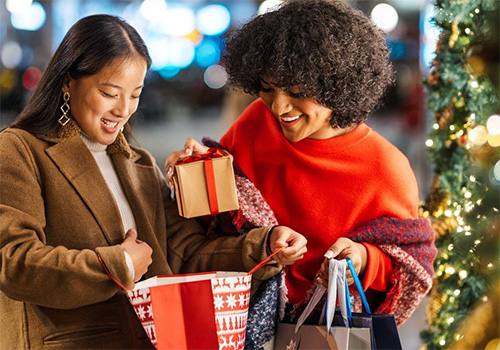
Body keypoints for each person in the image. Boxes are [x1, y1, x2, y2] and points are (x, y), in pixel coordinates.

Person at [0, 15, 308, 349]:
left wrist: (264, 245)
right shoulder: (20, 149)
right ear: (67, 82)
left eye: (135, 95)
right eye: (109, 92)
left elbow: (187, 255)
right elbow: (14, 262)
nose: (123, 110)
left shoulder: (138, 163)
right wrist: (117, 265)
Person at [166, 0, 437, 346]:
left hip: (325, 336)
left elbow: (409, 266)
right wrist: (196, 170)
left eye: (296, 92)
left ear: (337, 85)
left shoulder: (385, 168)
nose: (279, 108)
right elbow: (213, 221)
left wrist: (364, 258)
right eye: (267, 88)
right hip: (239, 329)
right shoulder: (254, 124)